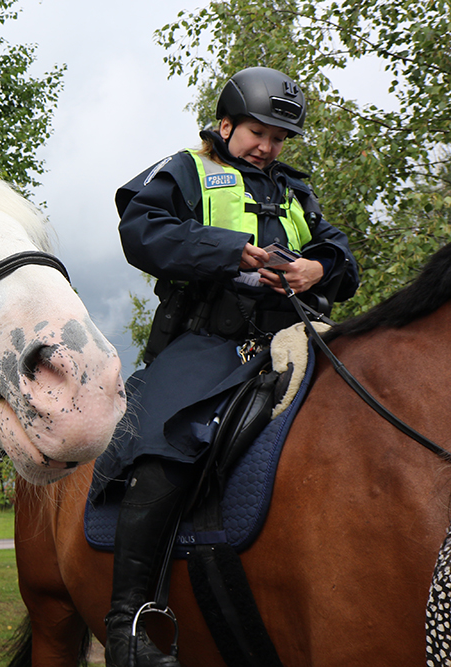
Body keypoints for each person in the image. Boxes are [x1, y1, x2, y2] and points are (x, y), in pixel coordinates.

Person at [101, 67, 359, 667]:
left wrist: (317, 269)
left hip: (294, 336)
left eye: (278, 138)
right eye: (257, 133)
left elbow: (338, 250)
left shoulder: (294, 190)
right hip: (207, 342)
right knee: (163, 442)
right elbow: (140, 230)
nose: (268, 146)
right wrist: (225, 251)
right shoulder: (188, 170)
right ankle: (129, 623)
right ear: (226, 125)